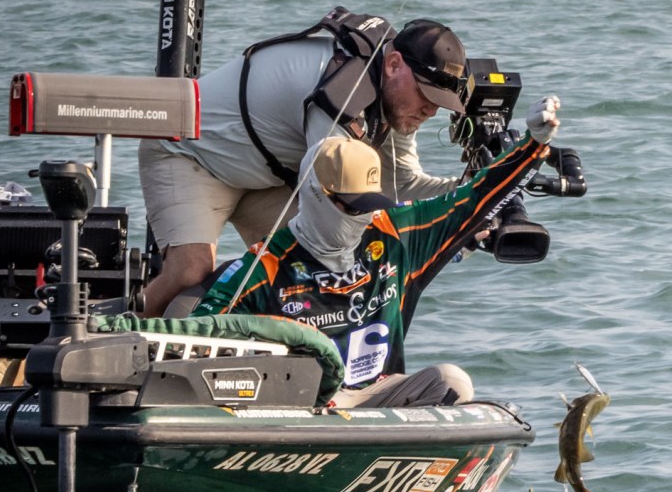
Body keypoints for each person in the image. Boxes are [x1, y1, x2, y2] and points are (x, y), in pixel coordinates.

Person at [191, 96, 561, 408]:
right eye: (352, 207)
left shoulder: (395, 231)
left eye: (368, 206)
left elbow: (475, 198)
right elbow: (196, 337)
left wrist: (533, 145)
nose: (363, 218)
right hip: (297, 407)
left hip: (376, 400)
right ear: (318, 195)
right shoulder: (263, 267)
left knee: (453, 382)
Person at [139, 9, 471, 318]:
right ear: (394, 64)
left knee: (310, 272)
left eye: (439, 103)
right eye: (426, 96)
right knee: (190, 271)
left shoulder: (396, 100)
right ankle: (125, 330)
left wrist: (472, 195)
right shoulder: (342, 96)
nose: (431, 111)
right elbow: (333, 204)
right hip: (190, 153)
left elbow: (403, 185)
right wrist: (435, 229)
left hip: (264, 175)